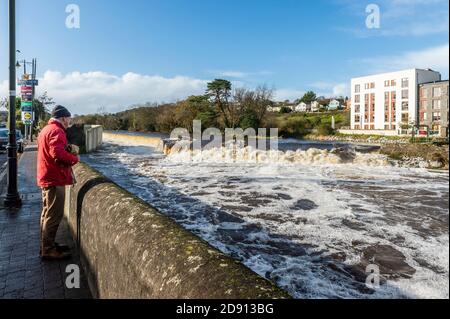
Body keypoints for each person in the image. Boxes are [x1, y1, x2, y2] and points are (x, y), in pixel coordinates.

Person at [37, 105, 80, 260]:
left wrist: (66, 147)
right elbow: (57, 153)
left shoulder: (46, 129)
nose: (69, 121)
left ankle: (46, 245)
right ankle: (48, 249)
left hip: (47, 176)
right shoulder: (57, 130)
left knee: (46, 213)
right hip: (54, 178)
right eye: (68, 118)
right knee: (54, 215)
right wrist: (75, 158)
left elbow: (53, 149)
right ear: (63, 118)